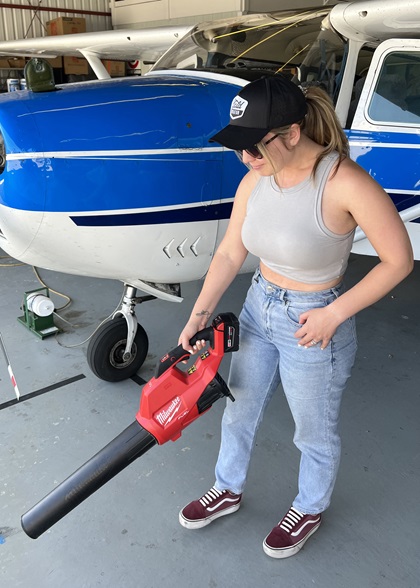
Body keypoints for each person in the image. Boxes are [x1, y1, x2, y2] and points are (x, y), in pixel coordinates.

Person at [177, 75, 413, 559]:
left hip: (313, 321)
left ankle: (309, 506)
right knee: (238, 406)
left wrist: (335, 313)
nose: (246, 157)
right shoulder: (255, 179)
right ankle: (228, 487)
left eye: (255, 146)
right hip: (259, 306)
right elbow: (228, 254)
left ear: (291, 132)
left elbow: (398, 260)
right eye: (239, 147)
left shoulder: (344, 181)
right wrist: (198, 315)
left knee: (313, 430)